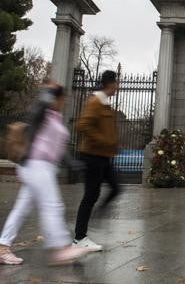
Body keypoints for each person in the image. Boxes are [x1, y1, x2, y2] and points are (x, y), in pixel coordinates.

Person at [0, 84, 91, 265]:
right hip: (36, 166)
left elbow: (58, 147)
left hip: (42, 167)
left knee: (22, 208)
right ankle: (61, 249)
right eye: (63, 98)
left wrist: (72, 163)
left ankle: (2, 246)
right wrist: (47, 95)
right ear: (55, 99)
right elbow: (35, 120)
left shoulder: (55, 118)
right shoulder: (42, 113)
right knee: (52, 205)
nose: (65, 102)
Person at [73, 70, 120, 251]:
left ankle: (99, 213)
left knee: (116, 188)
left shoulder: (105, 103)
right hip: (92, 156)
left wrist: (110, 145)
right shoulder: (95, 102)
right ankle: (79, 237)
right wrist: (103, 141)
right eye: (117, 83)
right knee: (90, 195)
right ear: (110, 83)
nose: (118, 86)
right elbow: (82, 125)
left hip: (104, 156)